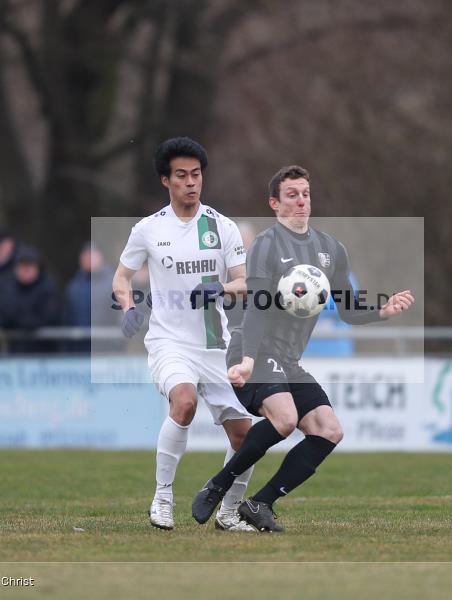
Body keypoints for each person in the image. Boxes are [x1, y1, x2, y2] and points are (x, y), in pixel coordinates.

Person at [191, 165, 414, 532]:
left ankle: (260, 503)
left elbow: (348, 311)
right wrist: (247, 360)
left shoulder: (331, 249)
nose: (300, 201)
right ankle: (218, 485)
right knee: (285, 419)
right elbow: (259, 306)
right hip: (255, 349)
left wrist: (382, 312)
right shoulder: (266, 244)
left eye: (305, 193)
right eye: (291, 194)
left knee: (329, 430)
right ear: (274, 203)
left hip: (288, 360)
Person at [112, 137, 255, 532]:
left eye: (196, 175)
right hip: (168, 342)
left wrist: (220, 289)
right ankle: (162, 499)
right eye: (182, 176)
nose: (191, 182)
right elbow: (122, 278)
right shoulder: (148, 230)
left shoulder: (221, 226)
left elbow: (243, 282)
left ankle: (228, 512)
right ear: (166, 180)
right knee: (185, 402)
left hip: (215, 346)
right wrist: (128, 309)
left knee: (246, 435)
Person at [0, 244, 61, 354]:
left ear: (38, 268)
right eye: (22, 267)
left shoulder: (48, 288)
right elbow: (2, 316)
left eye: (30, 266)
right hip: (15, 352)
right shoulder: (8, 288)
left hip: (44, 354)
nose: (26, 270)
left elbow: (50, 317)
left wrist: (19, 321)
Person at [64, 242, 121, 353]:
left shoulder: (114, 282)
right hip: (79, 349)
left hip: (107, 348)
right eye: (85, 255)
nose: (89, 259)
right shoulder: (74, 285)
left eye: (92, 255)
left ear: (101, 257)